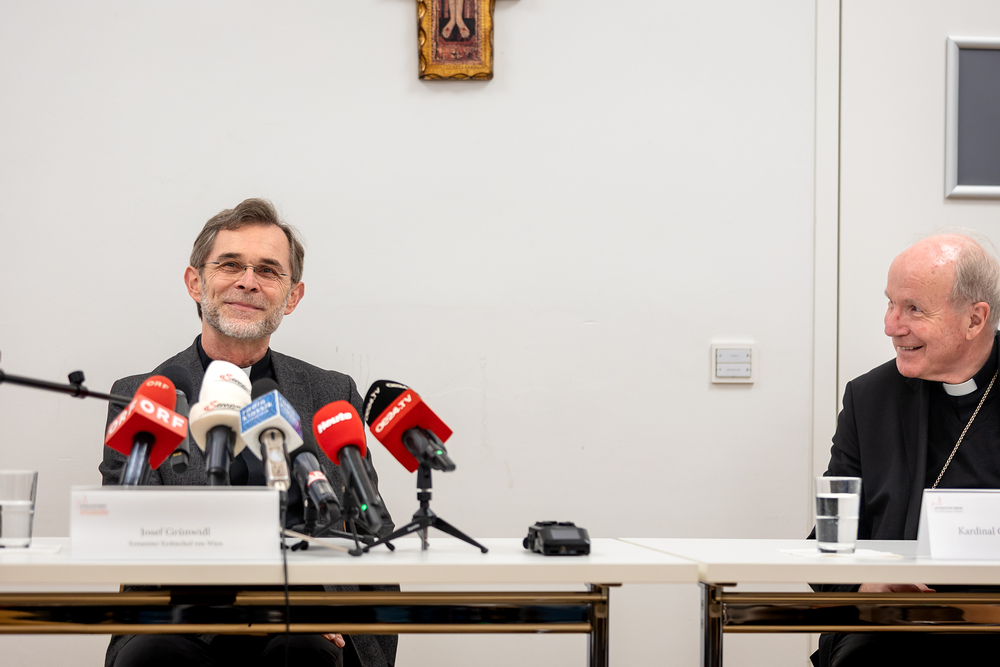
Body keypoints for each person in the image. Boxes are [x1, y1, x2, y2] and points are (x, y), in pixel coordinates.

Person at [99, 198, 397, 667]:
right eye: (230, 265)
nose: (248, 281)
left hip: (308, 621)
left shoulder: (332, 392)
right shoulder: (142, 395)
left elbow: (369, 525)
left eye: (268, 270)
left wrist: (341, 612)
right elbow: (125, 529)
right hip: (181, 619)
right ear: (195, 282)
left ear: (292, 296)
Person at [813, 232, 1000, 666]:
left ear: (975, 320)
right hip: (892, 629)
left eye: (914, 308)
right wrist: (866, 587)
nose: (891, 326)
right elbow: (829, 537)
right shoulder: (869, 399)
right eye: (890, 303)